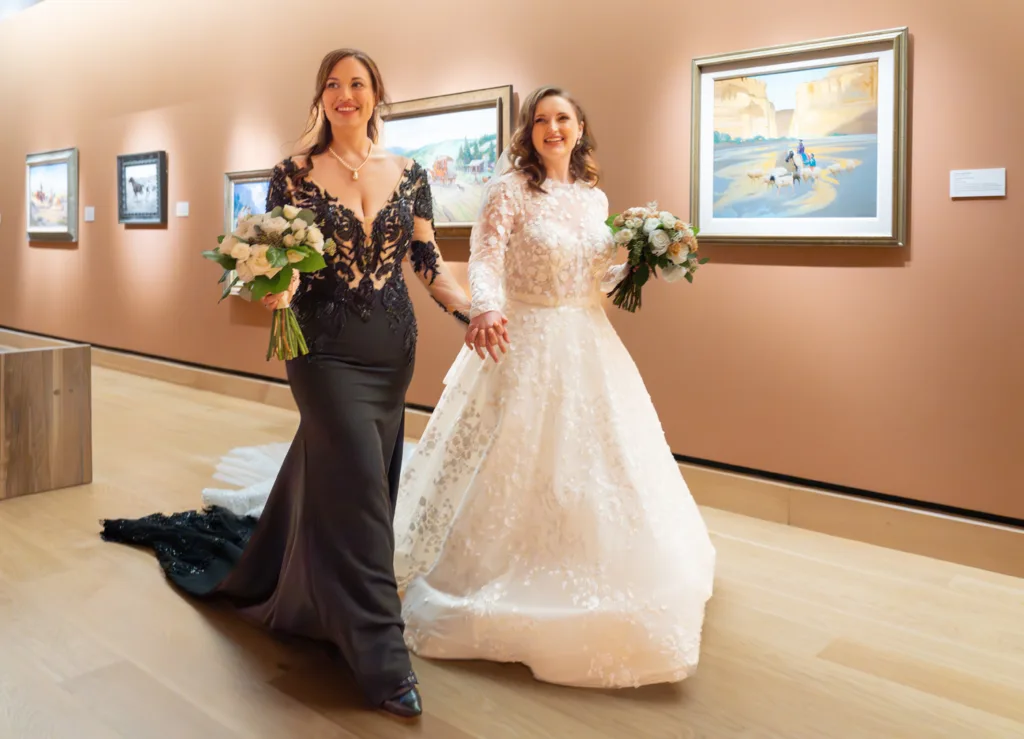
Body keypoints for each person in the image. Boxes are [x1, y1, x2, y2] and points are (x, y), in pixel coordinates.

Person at [99, 48, 473, 719]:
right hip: (321, 349)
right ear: (321, 99)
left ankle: (312, 590)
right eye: (332, 85)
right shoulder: (292, 175)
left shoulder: (410, 173)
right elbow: (286, 262)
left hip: (392, 348)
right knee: (358, 476)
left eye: (357, 83)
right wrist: (277, 287)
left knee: (358, 481)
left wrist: (472, 309)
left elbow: (425, 257)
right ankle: (383, 658)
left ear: (377, 94)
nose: (344, 94)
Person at [390, 85, 716, 688]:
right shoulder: (508, 189)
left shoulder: (595, 199)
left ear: (580, 126)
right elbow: (484, 256)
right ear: (528, 131)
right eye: (541, 120)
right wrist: (484, 309)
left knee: (600, 462)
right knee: (512, 460)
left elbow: (598, 276)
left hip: (587, 340)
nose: (552, 128)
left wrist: (639, 261)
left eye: (562, 118)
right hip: (522, 336)